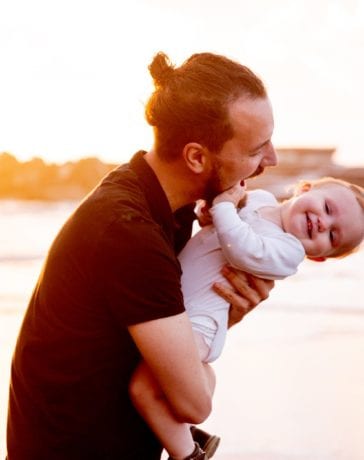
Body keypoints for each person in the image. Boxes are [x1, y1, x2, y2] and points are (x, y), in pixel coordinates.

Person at [6, 51, 278, 460]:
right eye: (258, 149)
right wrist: (200, 366)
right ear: (196, 157)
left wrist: (223, 313)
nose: (271, 160)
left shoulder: (168, 207)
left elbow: (155, 341)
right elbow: (193, 404)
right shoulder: (128, 231)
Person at [129, 176, 364, 459]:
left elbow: (241, 247)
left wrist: (223, 206)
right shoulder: (260, 199)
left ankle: (188, 453)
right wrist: (207, 213)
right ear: (305, 188)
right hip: (176, 307)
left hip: (199, 325)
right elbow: (218, 228)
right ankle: (192, 427)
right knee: (158, 383)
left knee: (143, 387)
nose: (324, 223)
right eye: (327, 207)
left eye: (333, 236)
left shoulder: (288, 252)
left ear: (317, 257)